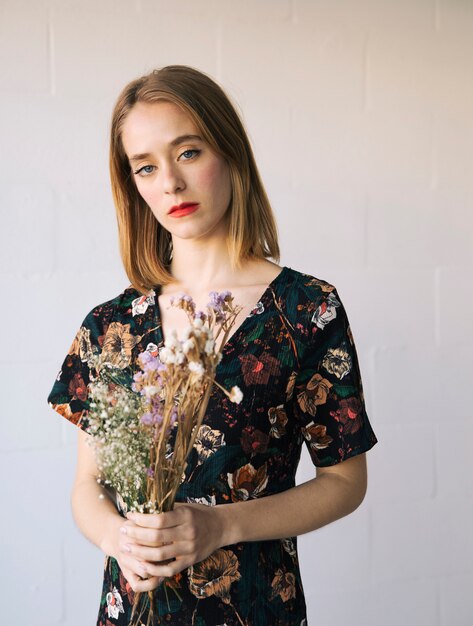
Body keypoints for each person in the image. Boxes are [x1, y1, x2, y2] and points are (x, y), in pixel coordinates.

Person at [47, 64, 378, 626]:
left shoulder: (306, 309)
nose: (170, 184)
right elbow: (87, 485)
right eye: (146, 167)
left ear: (230, 152)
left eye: (189, 153)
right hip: (133, 611)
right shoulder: (110, 326)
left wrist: (223, 524)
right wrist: (119, 539)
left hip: (256, 607)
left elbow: (345, 483)